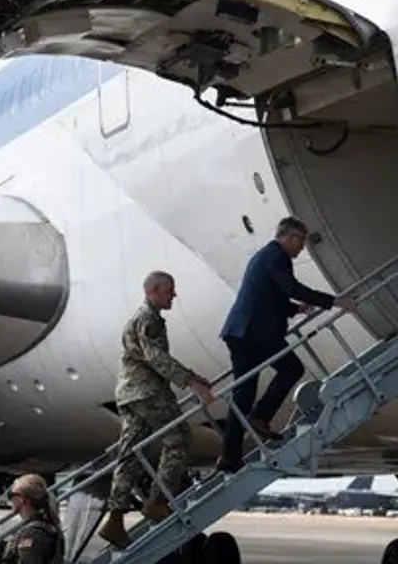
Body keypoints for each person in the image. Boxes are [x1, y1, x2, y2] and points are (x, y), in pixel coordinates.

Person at [217, 216, 356, 472]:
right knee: (291, 368)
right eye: (301, 241)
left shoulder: (265, 256)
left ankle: (229, 456)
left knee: (243, 396)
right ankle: (260, 417)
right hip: (255, 332)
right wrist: (335, 302)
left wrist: (295, 310)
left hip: (242, 332)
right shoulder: (277, 256)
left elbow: (269, 294)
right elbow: (291, 287)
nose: (302, 248)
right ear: (289, 237)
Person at [97, 270, 215, 550]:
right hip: (147, 392)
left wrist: (192, 376)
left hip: (129, 394)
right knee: (179, 439)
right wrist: (191, 381)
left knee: (130, 454)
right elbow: (156, 357)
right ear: (154, 290)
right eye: (169, 290)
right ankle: (157, 500)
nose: (174, 295)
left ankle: (114, 519)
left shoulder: (139, 318)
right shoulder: (148, 319)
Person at [0, 474, 64, 564]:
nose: (10, 499)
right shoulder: (42, 526)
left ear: (22, 499)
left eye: (11, 494)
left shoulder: (33, 533)